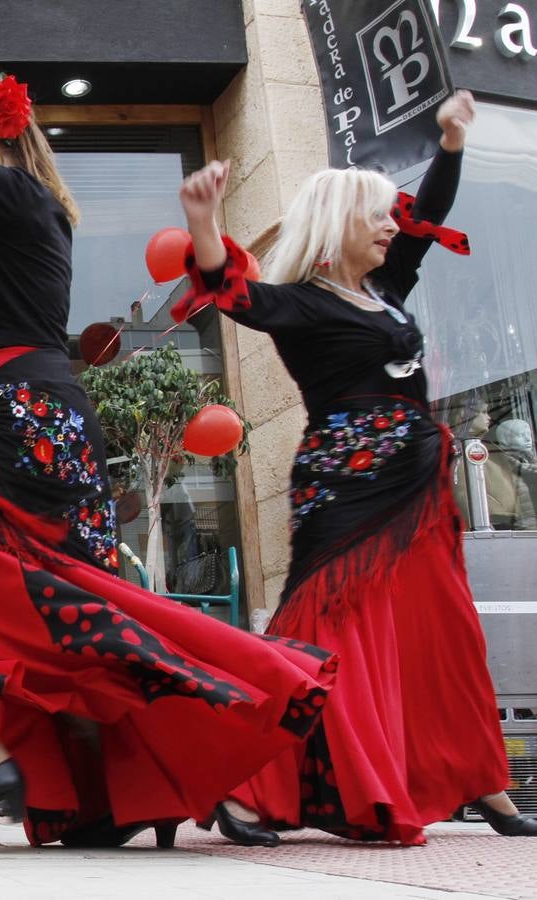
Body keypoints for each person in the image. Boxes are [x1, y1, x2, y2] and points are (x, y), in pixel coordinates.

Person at [0, 71, 338, 847]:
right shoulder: (26, 209)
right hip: (38, 415)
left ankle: (38, 764)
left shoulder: (18, 202)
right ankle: (138, 787)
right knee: (70, 612)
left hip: (20, 417)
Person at [177, 89, 535, 843]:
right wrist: (205, 222)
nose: (389, 225)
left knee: (443, 632)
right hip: (344, 485)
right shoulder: (302, 305)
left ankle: (479, 781)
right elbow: (233, 293)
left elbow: (427, 218)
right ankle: (244, 783)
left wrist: (452, 142)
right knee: (321, 628)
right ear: (338, 225)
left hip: (419, 491)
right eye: (375, 215)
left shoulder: (385, 289)